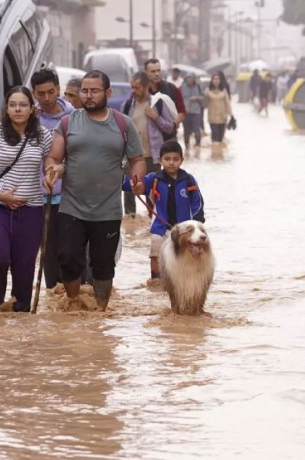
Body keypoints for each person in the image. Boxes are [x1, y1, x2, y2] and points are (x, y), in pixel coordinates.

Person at [43, 70, 146, 311]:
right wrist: (52, 171)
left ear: (107, 93)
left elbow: (137, 159)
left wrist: (137, 179)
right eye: (84, 91)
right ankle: (75, 303)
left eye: (94, 91)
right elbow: (53, 157)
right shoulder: (68, 123)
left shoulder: (123, 124)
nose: (88, 96)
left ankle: (100, 312)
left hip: (107, 210)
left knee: (103, 266)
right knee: (67, 259)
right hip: (72, 207)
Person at [0, 86, 53, 312]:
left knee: (25, 265)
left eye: (22, 105)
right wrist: (1, 194)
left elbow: (52, 161)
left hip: (31, 210)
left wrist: (50, 175)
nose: (17, 109)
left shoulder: (43, 135)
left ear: (32, 109)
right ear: (7, 108)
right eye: (13, 105)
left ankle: (21, 312)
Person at [135, 140, 204, 291]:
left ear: (182, 160)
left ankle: (188, 282)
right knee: (156, 252)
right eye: (167, 159)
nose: (171, 163)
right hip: (160, 227)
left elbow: (197, 201)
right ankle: (156, 281)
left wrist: (198, 221)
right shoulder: (153, 179)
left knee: (189, 254)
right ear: (160, 160)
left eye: (175, 159)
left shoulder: (188, 179)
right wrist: (134, 186)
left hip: (185, 229)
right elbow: (137, 186)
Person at [30, 69, 74, 290]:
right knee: (47, 253)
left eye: (50, 92)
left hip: (70, 197)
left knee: (70, 251)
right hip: (40, 197)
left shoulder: (73, 117)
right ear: (34, 94)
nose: (46, 98)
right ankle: (53, 296)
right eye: (41, 94)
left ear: (58, 89)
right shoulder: (30, 120)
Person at [122, 71, 175, 215]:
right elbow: (120, 130)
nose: (134, 91)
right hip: (132, 156)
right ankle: (131, 225)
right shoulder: (127, 106)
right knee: (128, 192)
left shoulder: (158, 104)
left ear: (147, 87)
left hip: (153, 156)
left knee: (153, 192)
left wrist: (156, 117)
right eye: (132, 87)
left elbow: (170, 127)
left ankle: (153, 223)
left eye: (137, 87)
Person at [144, 59, 186, 139]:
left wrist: (173, 124)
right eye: (153, 71)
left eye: (158, 70)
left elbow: (182, 112)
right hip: (148, 138)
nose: (156, 74)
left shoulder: (172, 89)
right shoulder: (141, 91)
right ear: (145, 72)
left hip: (168, 137)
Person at [205, 72, 232, 157]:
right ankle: (215, 156)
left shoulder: (224, 91)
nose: (216, 81)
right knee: (215, 137)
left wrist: (231, 115)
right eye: (214, 79)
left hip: (223, 117)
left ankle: (219, 156)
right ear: (212, 80)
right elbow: (205, 104)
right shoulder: (207, 91)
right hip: (212, 117)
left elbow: (227, 103)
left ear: (220, 80)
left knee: (220, 138)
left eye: (218, 79)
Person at [180, 73, 204, 154]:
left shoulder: (198, 86)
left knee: (197, 129)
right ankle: (187, 148)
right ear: (186, 79)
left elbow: (204, 97)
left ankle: (198, 147)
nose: (190, 80)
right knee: (186, 131)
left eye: (191, 78)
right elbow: (178, 99)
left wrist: (197, 98)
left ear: (194, 79)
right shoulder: (182, 87)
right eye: (188, 78)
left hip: (196, 111)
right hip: (185, 112)